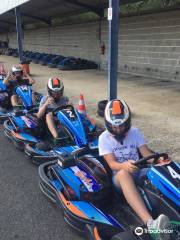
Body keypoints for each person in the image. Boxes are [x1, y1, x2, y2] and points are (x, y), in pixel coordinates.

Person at [98, 99, 170, 235]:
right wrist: (124, 166)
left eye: (121, 126)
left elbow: (146, 154)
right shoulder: (104, 138)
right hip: (118, 177)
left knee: (163, 169)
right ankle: (150, 223)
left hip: (138, 170)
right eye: (114, 126)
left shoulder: (135, 132)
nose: (118, 129)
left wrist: (159, 160)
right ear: (108, 124)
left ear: (127, 122)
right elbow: (112, 164)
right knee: (124, 174)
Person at [37, 77, 69, 142]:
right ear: (50, 91)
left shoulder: (64, 99)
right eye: (54, 92)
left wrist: (69, 107)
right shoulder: (45, 99)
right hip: (49, 123)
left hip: (62, 120)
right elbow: (39, 115)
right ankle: (57, 138)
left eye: (58, 92)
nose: (56, 94)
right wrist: (45, 104)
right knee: (49, 115)